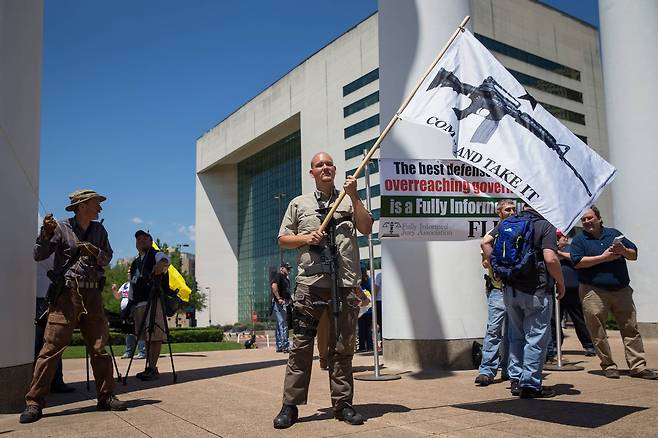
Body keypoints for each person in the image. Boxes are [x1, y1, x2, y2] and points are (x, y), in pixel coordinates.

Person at [273, 152, 373, 429]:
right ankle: (290, 406)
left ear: (335, 169)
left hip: (344, 285)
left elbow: (366, 227)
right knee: (301, 348)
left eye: (329, 164)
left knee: (343, 349)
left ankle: (343, 405)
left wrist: (354, 196)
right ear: (312, 172)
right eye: (320, 165)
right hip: (310, 287)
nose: (325, 167)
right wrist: (307, 237)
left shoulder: (349, 200)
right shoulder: (298, 204)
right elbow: (283, 239)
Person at [20, 189, 126, 424]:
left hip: (93, 294)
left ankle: (106, 396)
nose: (100, 208)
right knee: (51, 348)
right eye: (96, 203)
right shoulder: (59, 227)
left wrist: (95, 251)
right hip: (66, 294)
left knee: (99, 347)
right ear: (81, 206)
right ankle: (34, 402)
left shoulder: (99, 230)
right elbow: (38, 254)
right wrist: (45, 234)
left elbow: (107, 257)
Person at [482, 204, 565, 398]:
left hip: (510, 288)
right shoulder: (545, 225)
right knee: (535, 338)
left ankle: (515, 380)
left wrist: (497, 267)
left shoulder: (509, 222)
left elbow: (485, 243)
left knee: (516, 336)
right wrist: (560, 282)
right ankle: (530, 385)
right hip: (536, 289)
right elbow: (550, 258)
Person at [570, 206, 657, 380]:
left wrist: (622, 251)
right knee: (597, 331)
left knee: (630, 328)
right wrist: (603, 257)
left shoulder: (614, 234)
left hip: (621, 289)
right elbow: (577, 262)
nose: (587, 222)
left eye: (589, 218)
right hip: (593, 291)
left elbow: (633, 255)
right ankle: (608, 365)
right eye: (584, 219)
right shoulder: (579, 240)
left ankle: (638, 366)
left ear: (599, 218)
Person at [474, 199, 515, 386]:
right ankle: (487, 370)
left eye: (514, 209)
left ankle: (508, 369)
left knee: (513, 332)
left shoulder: (520, 231)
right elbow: (485, 259)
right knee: (494, 330)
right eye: (507, 209)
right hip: (498, 289)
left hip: (516, 289)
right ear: (499, 213)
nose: (512, 212)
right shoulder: (492, 234)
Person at [545, 230, 595, 362]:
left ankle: (589, 345)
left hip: (572, 290)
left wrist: (559, 253)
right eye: (555, 238)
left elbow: (575, 258)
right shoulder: (549, 250)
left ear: (565, 239)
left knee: (579, 319)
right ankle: (555, 346)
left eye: (559, 238)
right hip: (555, 291)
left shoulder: (571, 248)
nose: (557, 240)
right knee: (554, 321)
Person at [128, 230, 170, 381]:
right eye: (138, 239)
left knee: (155, 335)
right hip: (139, 303)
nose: (141, 241)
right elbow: (131, 284)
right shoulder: (135, 262)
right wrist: (130, 304)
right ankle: (149, 367)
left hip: (153, 300)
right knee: (146, 336)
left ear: (150, 241)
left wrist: (162, 264)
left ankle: (153, 367)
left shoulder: (155, 254)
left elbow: (165, 259)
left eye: (145, 238)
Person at [34, 256, 75, 393]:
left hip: (55, 294)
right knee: (41, 342)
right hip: (41, 295)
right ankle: (41, 382)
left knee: (55, 340)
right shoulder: (42, 239)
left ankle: (56, 380)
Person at [112, 279, 146, 359]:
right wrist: (114, 290)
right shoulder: (125, 285)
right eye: (128, 272)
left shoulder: (137, 283)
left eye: (130, 271)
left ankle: (142, 352)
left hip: (135, 309)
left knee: (138, 330)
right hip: (126, 312)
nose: (128, 273)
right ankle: (129, 352)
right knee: (128, 331)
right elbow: (118, 296)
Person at [271, 262, 292, 353]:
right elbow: (274, 286)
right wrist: (278, 298)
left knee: (280, 324)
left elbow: (287, 292)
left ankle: (280, 345)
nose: (289, 270)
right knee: (283, 324)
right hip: (279, 302)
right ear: (281, 269)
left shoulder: (286, 279)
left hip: (285, 302)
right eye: (287, 268)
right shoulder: (278, 276)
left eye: (289, 268)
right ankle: (285, 345)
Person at [357, 267, 373, 352]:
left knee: (361, 329)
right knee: (368, 329)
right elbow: (373, 292)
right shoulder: (369, 281)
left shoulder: (357, 281)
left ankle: (362, 347)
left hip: (360, 309)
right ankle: (370, 346)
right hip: (369, 308)